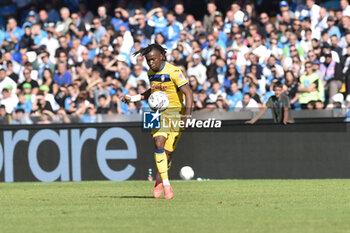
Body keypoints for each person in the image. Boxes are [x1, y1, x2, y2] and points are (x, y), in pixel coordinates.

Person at [121, 44, 193, 199]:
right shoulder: (150, 73)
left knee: (167, 153)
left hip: (175, 114)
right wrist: (133, 98)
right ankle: (167, 185)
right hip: (158, 114)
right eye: (148, 61)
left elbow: (188, 92)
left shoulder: (174, 72)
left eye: (153, 59)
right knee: (158, 143)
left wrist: (187, 116)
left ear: (162, 57)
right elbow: (152, 91)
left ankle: (160, 179)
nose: (150, 63)